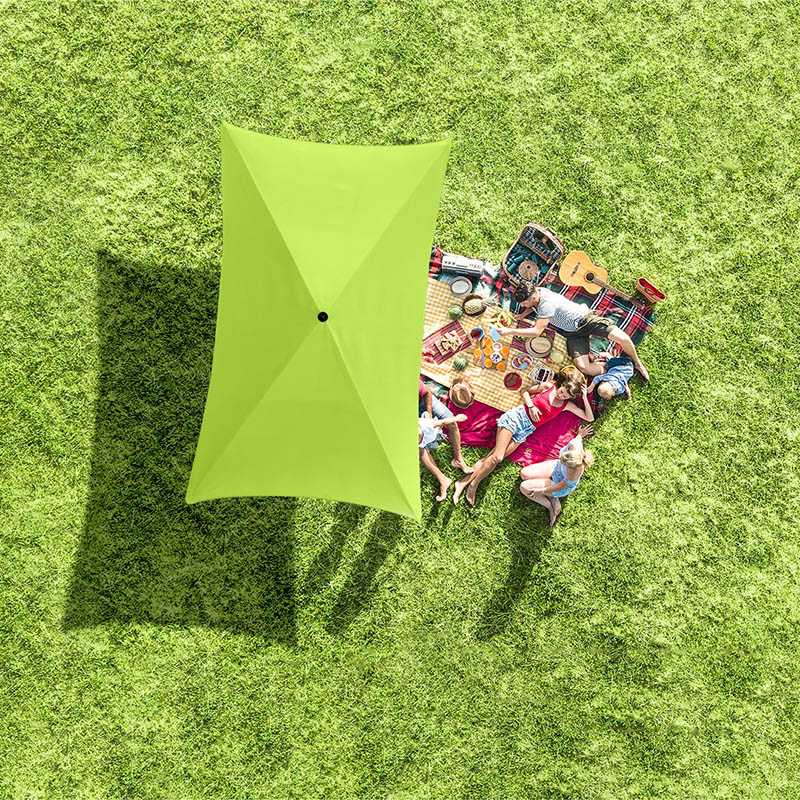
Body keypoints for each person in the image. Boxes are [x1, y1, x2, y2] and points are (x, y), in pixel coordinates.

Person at [452, 367, 594, 507]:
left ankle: (462, 483)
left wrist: (584, 397)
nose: (562, 396)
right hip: (516, 418)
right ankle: (474, 485)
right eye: (562, 391)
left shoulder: (565, 405)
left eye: (566, 396)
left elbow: (589, 417)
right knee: (497, 458)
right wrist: (531, 406)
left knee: (491, 457)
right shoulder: (548, 387)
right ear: (561, 384)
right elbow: (524, 391)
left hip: (525, 431)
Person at [498, 285, 649, 382]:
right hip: (572, 333)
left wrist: (509, 331)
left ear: (533, 296)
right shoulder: (537, 291)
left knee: (623, 338)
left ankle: (637, 363)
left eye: (524, 303)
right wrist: (522, 315)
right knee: (584, 367)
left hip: (586, 319)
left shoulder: (546, 304)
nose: (523, 305)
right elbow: (533, 306)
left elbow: (537, 331)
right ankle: (612, 367)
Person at [519, 428, 594, 526]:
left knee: (524, 487)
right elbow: (578, 439)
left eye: (565, 464)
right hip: (557, 467)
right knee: (524, 474)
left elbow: (560, 486)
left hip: (560, 486)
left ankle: (550, 506)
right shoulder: (574, 445)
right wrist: (580, 434)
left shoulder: (574, 472)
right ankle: (552, 497)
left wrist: (541, 491)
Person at [419, 378, 472, 473]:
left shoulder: (412, 383)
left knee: (452, 423)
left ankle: (458, 459)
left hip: (423, 400)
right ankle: (441, 477)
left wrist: (429, 413)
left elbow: (427, 393)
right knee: (420, 442)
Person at [419, 411, 468, 501]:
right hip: (426, 440)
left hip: (432, 431)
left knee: (424, 446)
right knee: (420, 450)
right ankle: (444, 480)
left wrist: (457, 418)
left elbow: (443, 421)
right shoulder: (416, 441)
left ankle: (458, 460)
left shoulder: (426, 425)